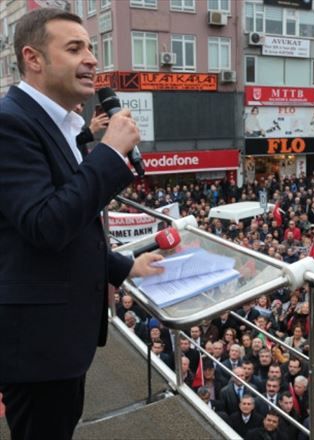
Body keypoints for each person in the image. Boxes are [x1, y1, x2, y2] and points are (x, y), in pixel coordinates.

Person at [0, 8, 163, 440]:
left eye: (90, 47)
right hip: (37, 348)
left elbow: (69, 228)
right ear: (33, 59)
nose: (91, 58)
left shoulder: (61, 123)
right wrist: (109, 154)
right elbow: (45, 224)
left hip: (60, 343)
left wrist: (123, 266)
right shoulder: (9, 122)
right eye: (74, 48)